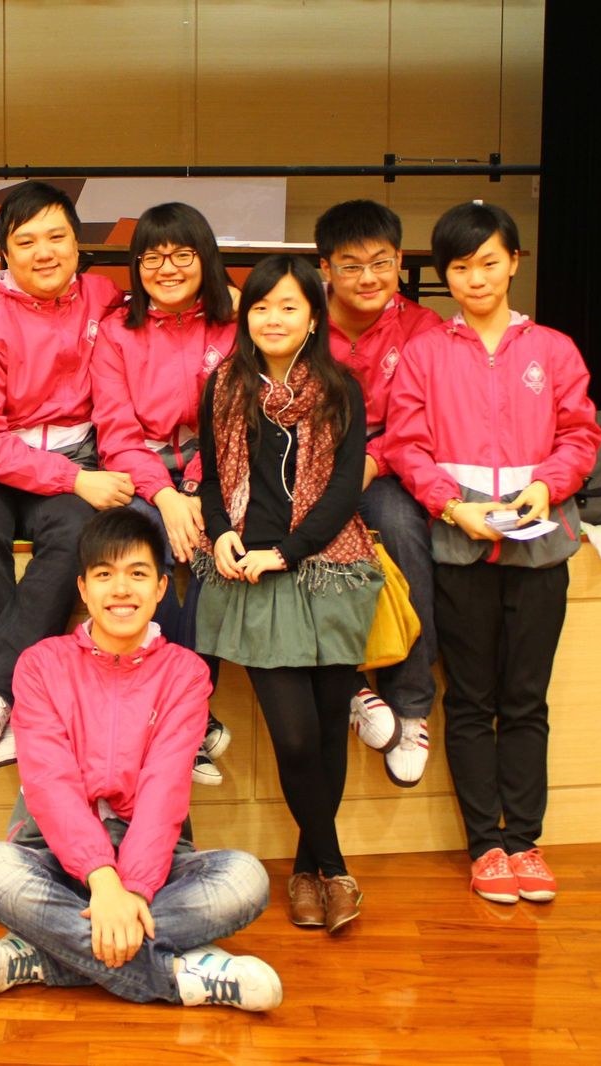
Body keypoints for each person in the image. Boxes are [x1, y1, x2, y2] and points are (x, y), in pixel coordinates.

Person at [0, 507, 280, 1010]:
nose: (121, 590)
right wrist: (102, 880)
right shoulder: (40, 665)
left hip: (155, 861)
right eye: (104, 575)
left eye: (137, 574)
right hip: (52, 852)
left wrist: (130, 891)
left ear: (159, 587)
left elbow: (164, 790)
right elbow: (51, 783)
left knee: (245, 879)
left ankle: (49, 957)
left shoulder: (186, 674)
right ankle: (180, 974)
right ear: (83, 588)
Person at [382, 201, 600, 905]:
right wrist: (452, 506)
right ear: (444, 275)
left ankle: (526, 841)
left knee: (526, 699)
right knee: (471, 699)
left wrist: (546, 486)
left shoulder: (554, 349)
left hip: (541, 545)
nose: (475, 279)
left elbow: (581, 436)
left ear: (513, 263)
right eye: (459, 267)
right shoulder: (425, 352)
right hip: (458, 544)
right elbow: (405, 445)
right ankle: (486, 846)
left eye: (487, 262)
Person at [193, 255, 383, 934]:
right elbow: (212, 477)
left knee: (330, 732)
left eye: (288, 307)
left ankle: (307, 873)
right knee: (296, 739)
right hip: (252, 577)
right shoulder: (224, 385)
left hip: (326, 570)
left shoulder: (340, 388)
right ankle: (336, 867)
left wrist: (290, 550)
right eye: (261, 306)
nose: (272, 319)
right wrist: (220, 532)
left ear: (312, 318)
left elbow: (344, 489)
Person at [0, 180, 128, 771]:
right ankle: (11, 701)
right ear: (5, 254)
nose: (44, 252)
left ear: (77, 244)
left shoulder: (103, 298)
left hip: (76, 458)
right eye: (26, 241)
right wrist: (73, 481)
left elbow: (168, 310)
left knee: (78, 536)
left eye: (56, 237)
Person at [91, 202, 238, 787]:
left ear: (206, 259)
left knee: (213, 550)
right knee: (141, 549)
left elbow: (232, 424)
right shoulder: (115, 331)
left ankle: (186, 710)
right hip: (139, 471)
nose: (167, 268)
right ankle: (186, 719)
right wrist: (166, 495)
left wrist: (195, 489)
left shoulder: (233, 327)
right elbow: (116, 433)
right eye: (152, 257)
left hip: (216, 469)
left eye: (182, 254)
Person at [314, 200, 443, 786]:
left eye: (381, 263)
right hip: (312, 466)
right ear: (325, 268)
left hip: (389, 463)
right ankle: (350, 689)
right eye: (351, 265)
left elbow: (423, 421)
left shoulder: (424, 329)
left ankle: (411, 706)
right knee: (297, 545)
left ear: (398, 261)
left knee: (404, 533)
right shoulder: (300, 318)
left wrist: (371, 462)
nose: (368, 278)